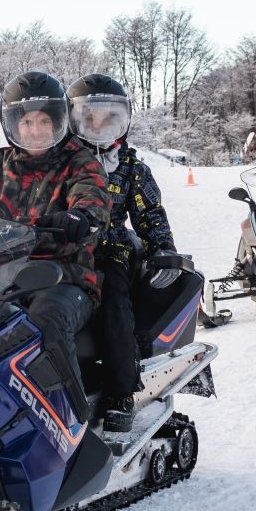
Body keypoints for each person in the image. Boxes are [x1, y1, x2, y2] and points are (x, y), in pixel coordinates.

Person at [0, 71, 111, 420]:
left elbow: (92, 200)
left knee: (46, 318)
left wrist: (81, 217)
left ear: (60, 120)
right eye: (27, 121)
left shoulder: (79, 162)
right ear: (12, 124)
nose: (35, 130)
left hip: (65, 278)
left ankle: (70, 420)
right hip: (3, 275)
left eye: (44, 121)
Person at [66, 73, 181, 433]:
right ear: (73, 120)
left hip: (110, 250)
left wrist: (162, 248)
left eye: (109, 118)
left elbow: (150, 214)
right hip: (62, 250)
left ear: (123, 120)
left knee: (114, 303)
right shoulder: (59, 163)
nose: (98, 126)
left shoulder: (131, 167)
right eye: (90, 118)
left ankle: (120, 392)